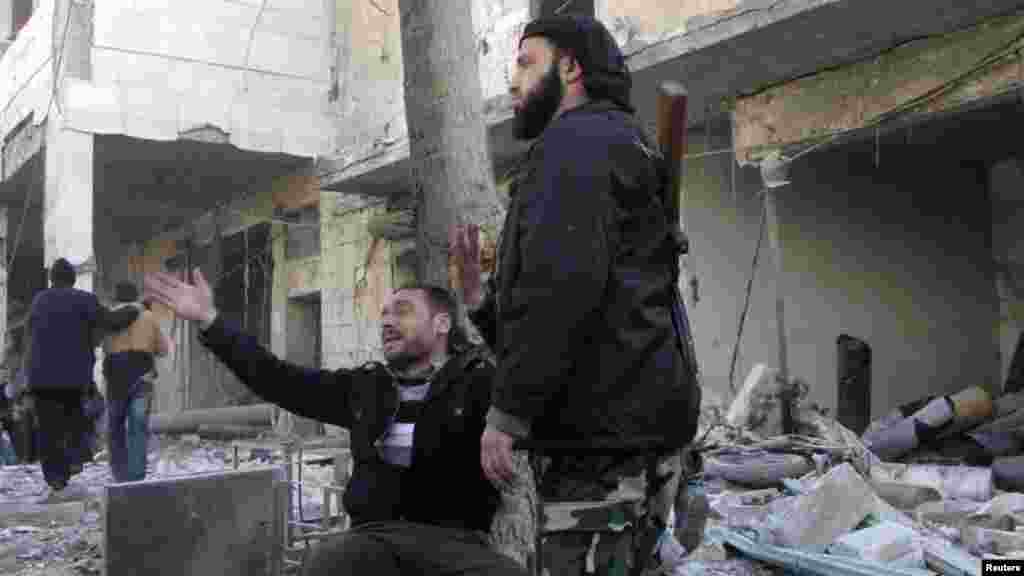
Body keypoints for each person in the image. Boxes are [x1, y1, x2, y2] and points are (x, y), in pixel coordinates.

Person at [451, 14, 702, 575]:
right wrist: (478, 300)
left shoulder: (574, 148)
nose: (512, 83)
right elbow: (585, 309)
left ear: (570, 68)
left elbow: (557, 296)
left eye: (524, 63)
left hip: (600, 451)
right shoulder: (619, 144)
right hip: (634, 439)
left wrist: (508, 414)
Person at [144, 268, 527, 576]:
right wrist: (211, 321)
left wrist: (480, 303)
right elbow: (276, 378)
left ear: (442, 324)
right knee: (326, 563)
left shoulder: (479, 383)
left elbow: (525, 375)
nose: (388, 321)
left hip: (456, 544)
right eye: (385, 314)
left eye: (403, 311)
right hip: (372, 541)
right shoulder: (365, 387)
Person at [23, 258, 139, 498]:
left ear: (52, 279)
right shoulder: (83, 300)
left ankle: (56, 480)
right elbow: (111, 321)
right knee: (74, 420)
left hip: (41, 378)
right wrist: (134, 309)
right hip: (72, 378)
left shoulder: (39, 301)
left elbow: (29, 337)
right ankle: (74, 462)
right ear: (73, 279)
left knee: (48, 428)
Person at [102, 282, 170, 483]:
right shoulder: (148, 317)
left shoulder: (108, 319)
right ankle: (136, 476)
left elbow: (100, 345)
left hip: (115, 380)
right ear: (135, 297)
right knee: (138, 427)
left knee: (115, 426)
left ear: (116, 298)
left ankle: (119, 475)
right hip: (142, 378)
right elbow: (164, 349)